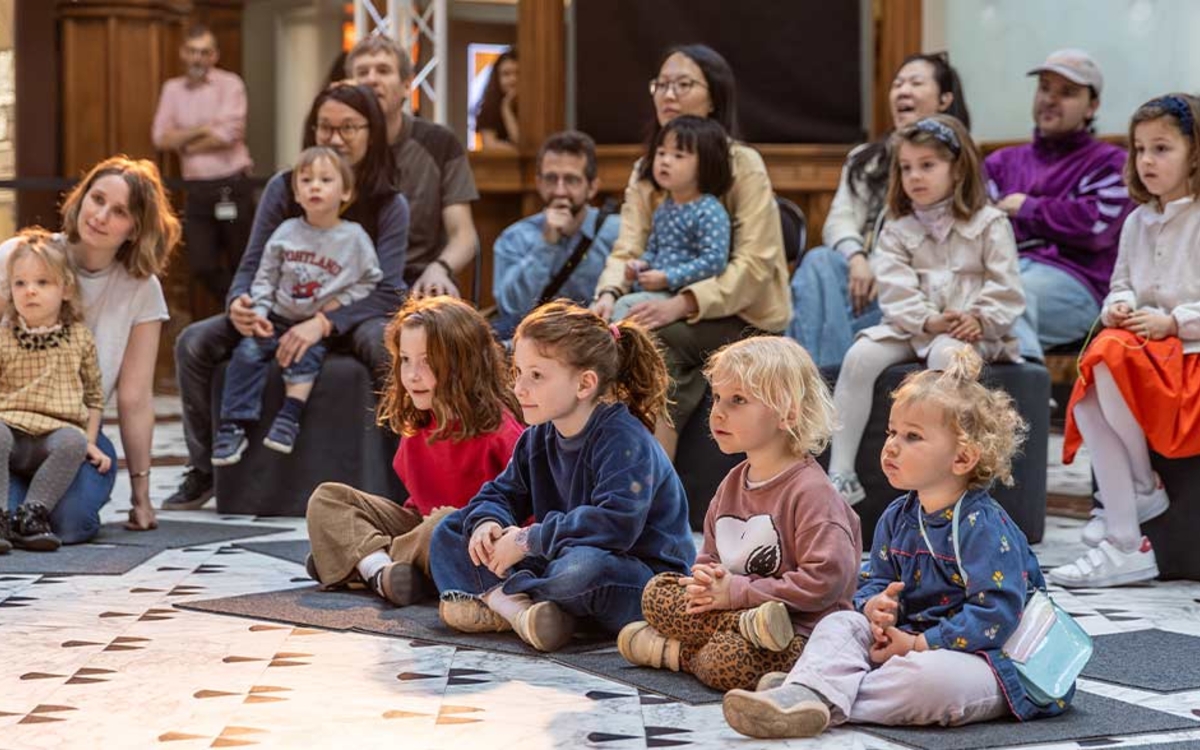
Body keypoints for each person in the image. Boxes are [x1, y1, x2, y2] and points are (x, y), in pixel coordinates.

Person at [723, 348, 1067, 739]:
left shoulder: (983, 526)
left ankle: (813, 694)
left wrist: (919, 644)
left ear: (962, 458)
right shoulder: (896, 516)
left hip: (991, 662)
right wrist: (874, 606)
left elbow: (996, 615)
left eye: (912, 437)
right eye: (891, 432)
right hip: (905, 645)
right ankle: (811, 693)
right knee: (841, 623)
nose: (891, 446)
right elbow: (873, 582)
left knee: (928, 682)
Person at [166, 82, 409, 511]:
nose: (335, 138)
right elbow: (253, 263)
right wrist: (241, 303)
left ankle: (402, 476)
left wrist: (323, 324)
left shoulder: (389, 202)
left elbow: (388, 292)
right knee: (193, 342)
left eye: (349, 127)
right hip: (276, 310)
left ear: (372, 132)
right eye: (325, 127)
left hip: (351, 315)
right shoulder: (285, 187)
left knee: (384, 345)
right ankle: (205, 468)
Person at [430, 301, 696, 652]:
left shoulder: (624, 440)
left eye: (536, 376)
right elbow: (500, 493)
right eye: (518, 372)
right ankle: (521, 611)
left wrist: (526, 541)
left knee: (583, 569)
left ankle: (503, 598)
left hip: (636, 575)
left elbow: (615, 525)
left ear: (584, 384)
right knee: (450, 529)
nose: (519, 388)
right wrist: (487, 523)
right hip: (557, 558)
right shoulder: (537, 437)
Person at [617, 336, 862, 691]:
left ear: (788, 413)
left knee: (727, 660)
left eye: (738, 401)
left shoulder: (812, 494)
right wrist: (705, 582)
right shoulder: (733, 483)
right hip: (736, 611)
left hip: (798, 632)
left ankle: (676, 654)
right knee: (658, 591)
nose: (717, 411)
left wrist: (738, 593)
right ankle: (715, 637)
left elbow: (826, 582)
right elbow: (711, 556)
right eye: (717, 397)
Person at [592, 44, 789, 460]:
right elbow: (627, 248)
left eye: (683, 84)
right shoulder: (649, 168)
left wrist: (683, 302)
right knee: (598, 332)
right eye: (661, 84)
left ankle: (649, 482)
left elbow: (754, 266)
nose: (669, 94)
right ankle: (610, 475)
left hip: (739, 314)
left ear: (714, 97)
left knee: (647, 338)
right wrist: (608, 293)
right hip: (660, 299)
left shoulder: (742, 164)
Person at [826, 115, 1024, 505]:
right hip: (910, 325)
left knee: (945, 356)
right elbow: (895, 290)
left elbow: (1007, 288)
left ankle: (942, 466)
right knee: (860, 356)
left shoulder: (990, 223)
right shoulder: (898, 226)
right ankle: (841, 473)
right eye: (906, 167)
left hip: (969, 331)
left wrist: (979, 316)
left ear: (958, 168)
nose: (915, 176)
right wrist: (926, 319)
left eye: (928, 165)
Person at [1049, 94, 1200, 588]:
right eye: (1139, 150)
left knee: (1106, 353)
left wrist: (1175, 322)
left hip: (1188, 352)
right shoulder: (1136, 221)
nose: (1147, 161)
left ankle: (1132, 511)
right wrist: (1118, 304)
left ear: (1195, 152)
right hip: (1145, 351)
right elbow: (1120, 284)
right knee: (1089, 400)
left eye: (1162, 148)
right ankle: (1126, 527)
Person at [0, 156, 180, 537]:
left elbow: (134, 398)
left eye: (119, 211)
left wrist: (141, 495)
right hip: (7, 424)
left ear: (135, 228)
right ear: (80, 199)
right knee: (13, 515)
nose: (100, 215)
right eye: (96, 199)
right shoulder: (22, 256)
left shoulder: (142, 289)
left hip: (71, 434)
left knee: (72, 523)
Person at [306, 296, 523, 606]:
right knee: (328, 498)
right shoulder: (420, 421)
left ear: (464, 363)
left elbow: (524, 517)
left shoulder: (502, 431)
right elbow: (415, 507)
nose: (412, 374)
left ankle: (359, 561)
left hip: (470, 541)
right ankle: (378, 570)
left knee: (447, 521)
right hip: (420, 530)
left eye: (427, 361)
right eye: (405, 359)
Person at [789, 53, 971, 368]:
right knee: (820, 261)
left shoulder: (958, 161)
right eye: (898, 83)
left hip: (913, 288)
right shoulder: (866, 158)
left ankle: (819, 390)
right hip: (858, 282)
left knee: (818, 302)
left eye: (916, 83)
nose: (902, 91)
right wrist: (858, 259)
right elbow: (839, 221)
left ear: (945, 99)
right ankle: (825, 382)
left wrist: (883, 267)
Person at [211, 147, 382, 464]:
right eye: (306, 180)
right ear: (296, 193)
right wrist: (258, 312)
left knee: (306, 360)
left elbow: (371, 281)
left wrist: (338, 303)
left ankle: (289, 418)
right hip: (276, 317)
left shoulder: (355, 238)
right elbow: (264, 277)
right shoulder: (285, 232)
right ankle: (232, 426)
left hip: (317, 325)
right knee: (246, 354)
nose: (315, 186)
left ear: (345, 191)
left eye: (325, 179)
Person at [987, 49, 1135, 361]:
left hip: (1076, 283)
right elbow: (977, 222)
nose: (1050, 100)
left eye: (1067, 92)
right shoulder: (1001, 163)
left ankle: (1028, 399)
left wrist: (1028, 209)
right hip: (1003, 270)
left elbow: (1095, 228)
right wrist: (1056, 215)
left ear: (1092, 106)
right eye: (1044, 88)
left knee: (1009, 301)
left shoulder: (1112, 164)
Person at [346, 35, 480, 297]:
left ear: (407, 85)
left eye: (383, 70)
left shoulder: (440, 142)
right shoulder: (338, 145)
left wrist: (440, 268)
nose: (372, 79)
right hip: (350, 281)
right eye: (362, 72)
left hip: (420, 279)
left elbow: (463, 235)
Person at [0, 231, 107, 551]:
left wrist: (90, 441)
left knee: (71, 441)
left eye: (42, 282)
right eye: (20, 283)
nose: (30, 291)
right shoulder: (3, 336)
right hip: (12, 429)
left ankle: (32, 516)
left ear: (65, 289)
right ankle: (1, 516)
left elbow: (94, 396)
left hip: (54, 436)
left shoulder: (79, 337)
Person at [151, 24, 254, 302]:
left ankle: (244, 319)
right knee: (201, 264)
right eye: (193, 51)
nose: (198, 58)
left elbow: (230, 134)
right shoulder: (172, 89)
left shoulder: (230, 84)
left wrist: (185, 141)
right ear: (183, 53)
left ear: (215, 56)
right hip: (196, 192)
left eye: (205, 52)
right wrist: (205, 130)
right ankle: (235, 304)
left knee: (241, 260)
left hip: (231, 188)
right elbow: (161, 138)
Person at [492, 130, 618, 338]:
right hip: (534, 343)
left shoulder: (617, 232)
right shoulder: (514, 238)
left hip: (598, 343)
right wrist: (546, 245)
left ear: (592, 187)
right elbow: (512, 310)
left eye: (571, 180)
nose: (560, 191)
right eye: (551, 179)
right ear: (539, 182)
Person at [612, 115, 732, 322]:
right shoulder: (664, 208)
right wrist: (640, 266)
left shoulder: (709, 210)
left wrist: (668, 277)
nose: (665, 161)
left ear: (705, 164)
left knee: (626, 307)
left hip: (684, 297)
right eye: (661, 153)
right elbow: (655, 251)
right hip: (657, 289)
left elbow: (714, 261)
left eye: (678, 155)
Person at [475, 48, 519, 152]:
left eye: (518, 73)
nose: (513, 79)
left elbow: (521, 142)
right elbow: (490, 145)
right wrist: (506, 107)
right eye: (506, 74)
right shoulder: (489, 108)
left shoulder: (535, 108)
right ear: (497, 78)